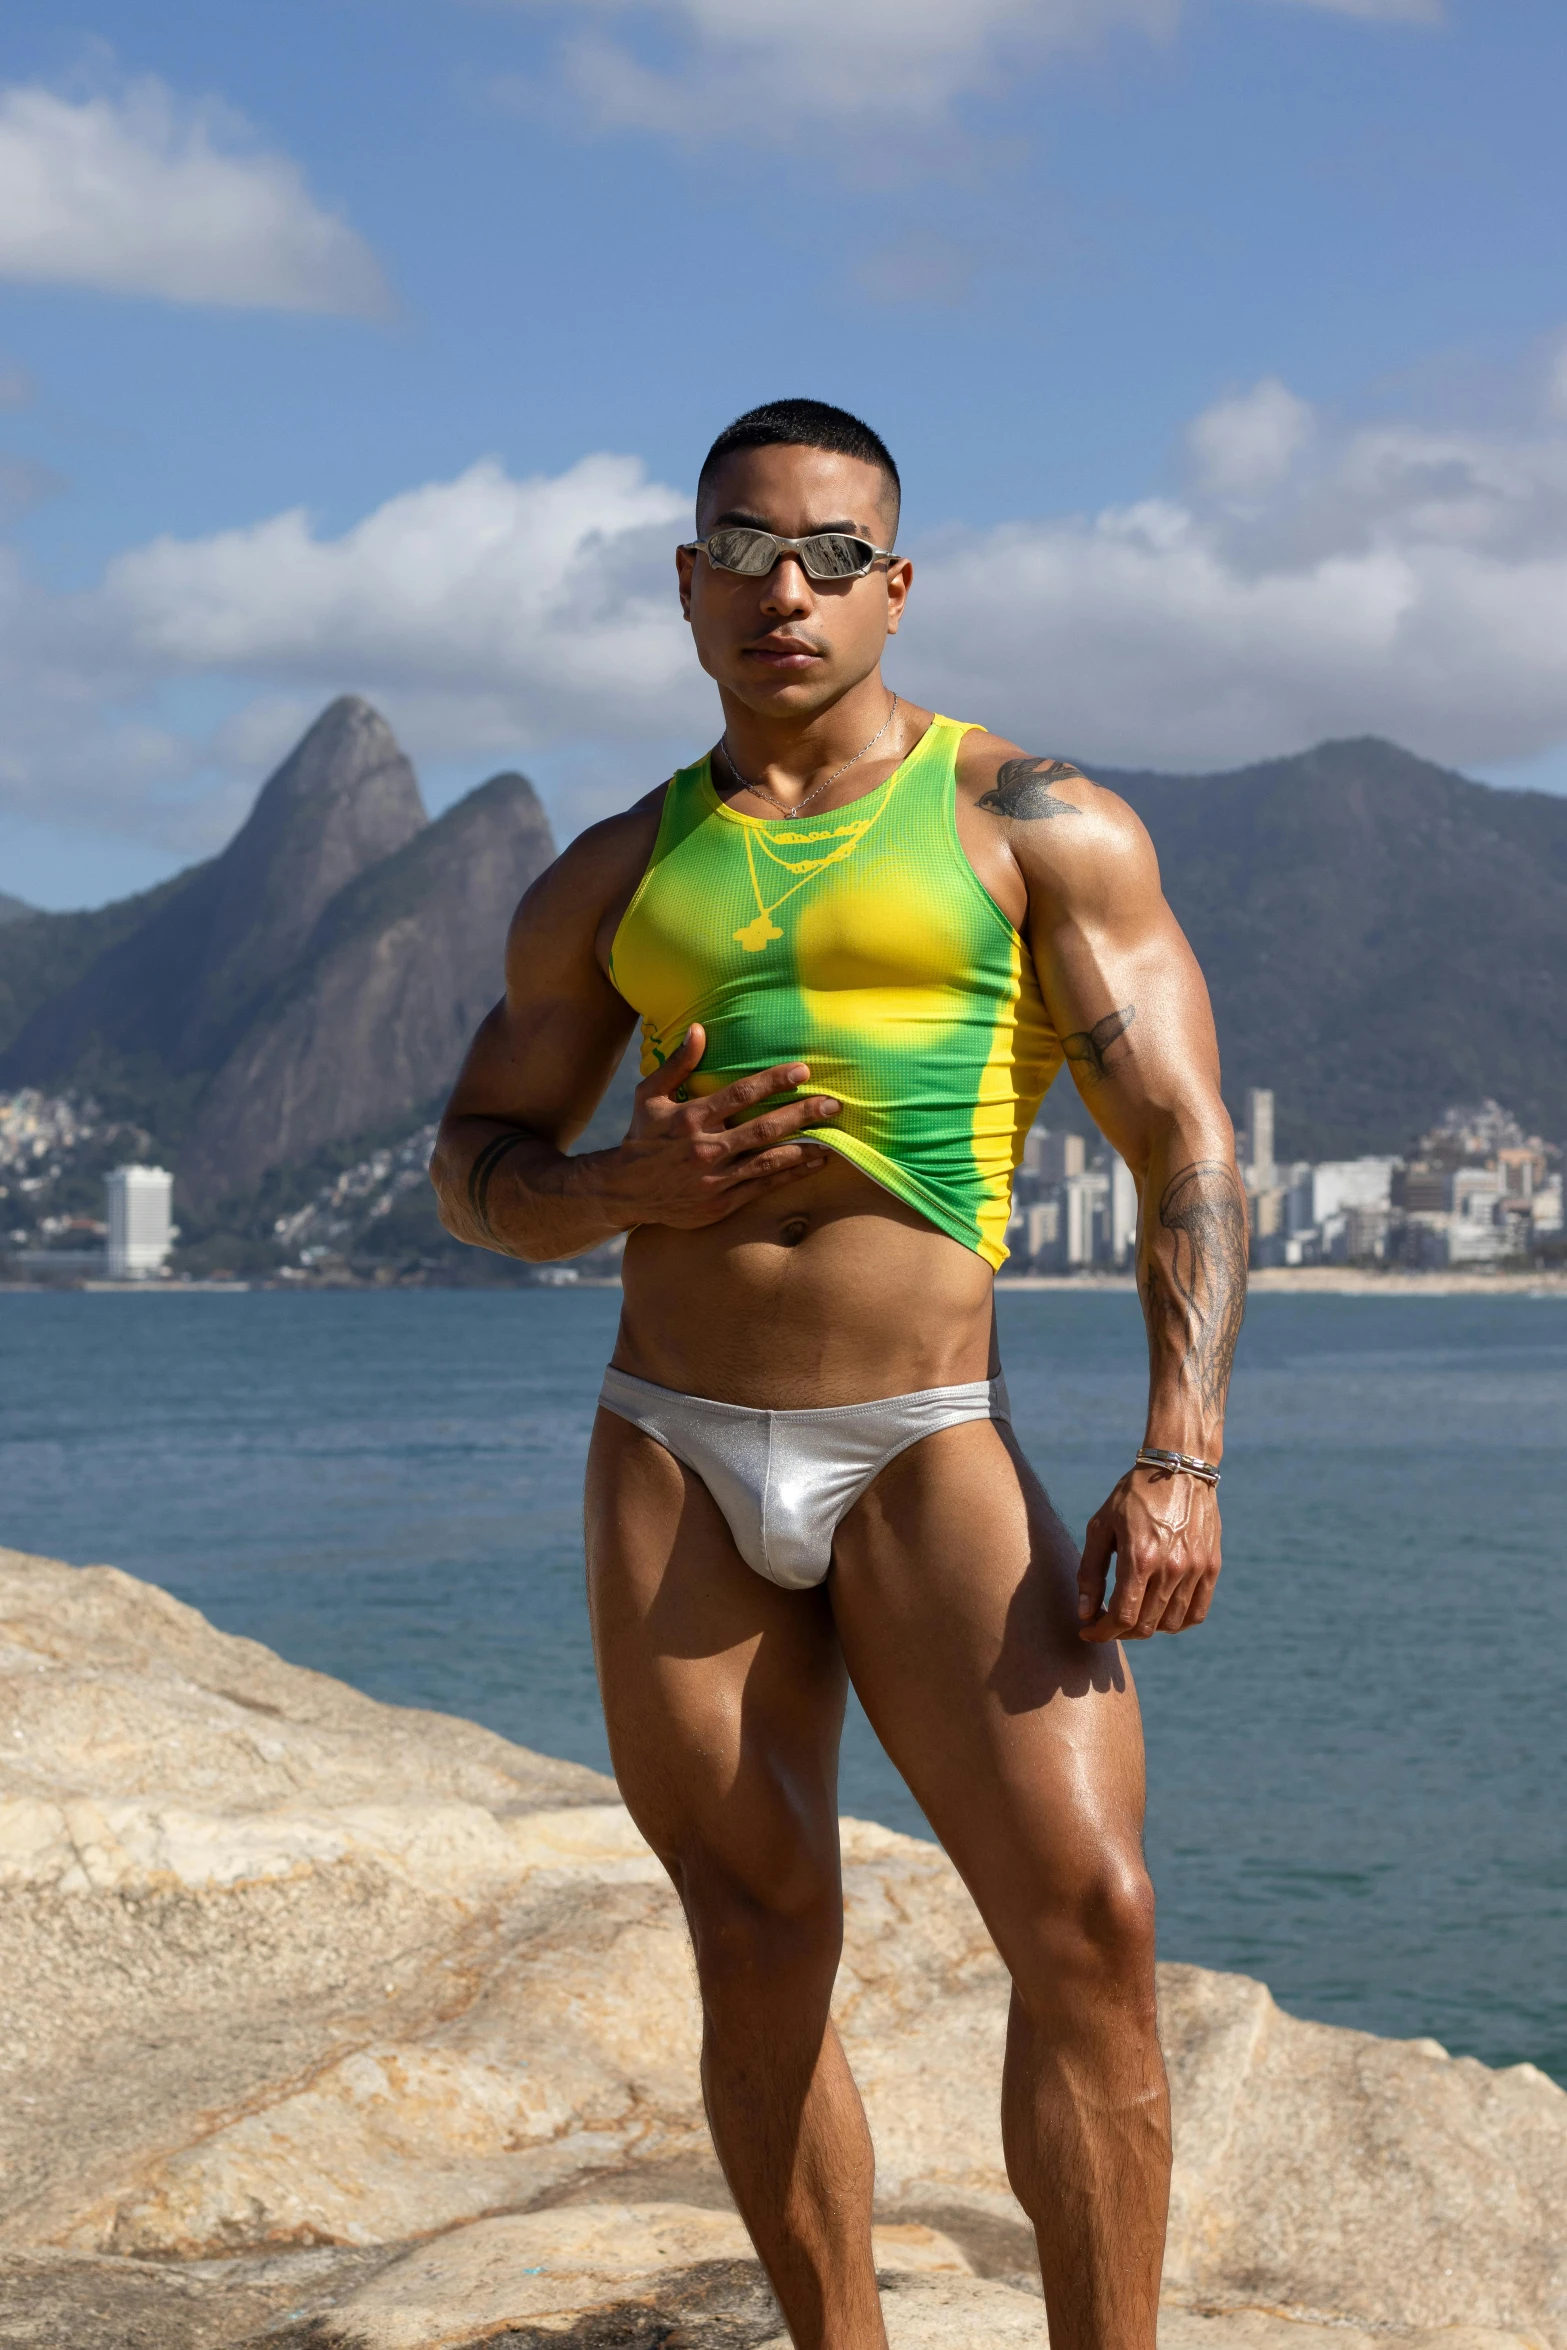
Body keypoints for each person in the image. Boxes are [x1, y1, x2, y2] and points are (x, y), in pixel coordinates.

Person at [431, 397, 1246, 2350]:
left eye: (824, 554)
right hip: (675, 1452)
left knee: (1093, 1925)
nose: (780, 589)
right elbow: (473, 1171)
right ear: (686, 583)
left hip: (922, 1440)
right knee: (760, 1932)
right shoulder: (619, 871)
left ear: (896, 584)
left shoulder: (1031, 822)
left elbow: (1192, 1147)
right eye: (741, 550)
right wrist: (626, 1177)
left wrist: (1183, 1450)